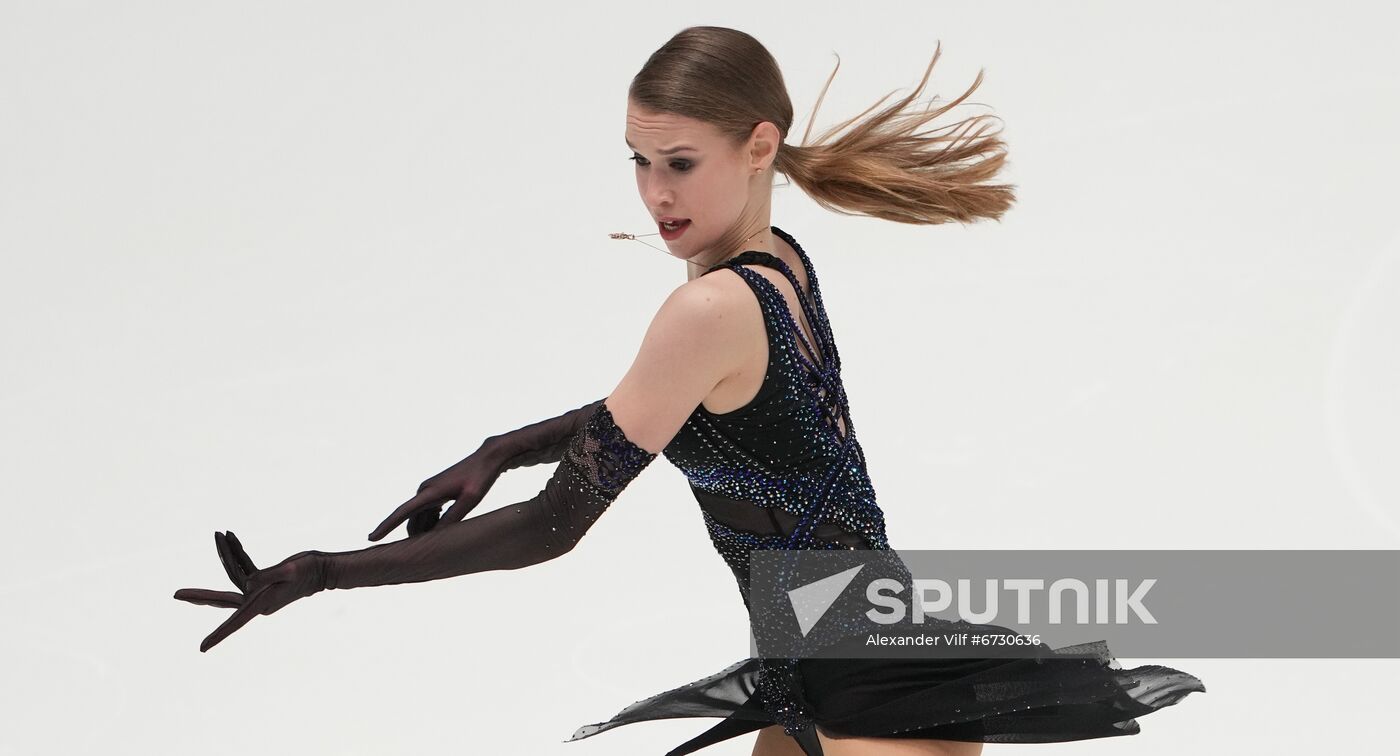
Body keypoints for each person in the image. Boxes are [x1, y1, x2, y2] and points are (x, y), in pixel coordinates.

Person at [175, 26, 1205, 756]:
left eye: (678, 161)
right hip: (833, 648)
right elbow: (671, 410)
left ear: (758, 145)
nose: (654, 192)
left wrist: (327, 573)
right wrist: (500, 446)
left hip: (859, 677)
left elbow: (554, 527)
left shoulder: (705, 309)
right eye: (636, 162)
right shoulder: (775, 263)